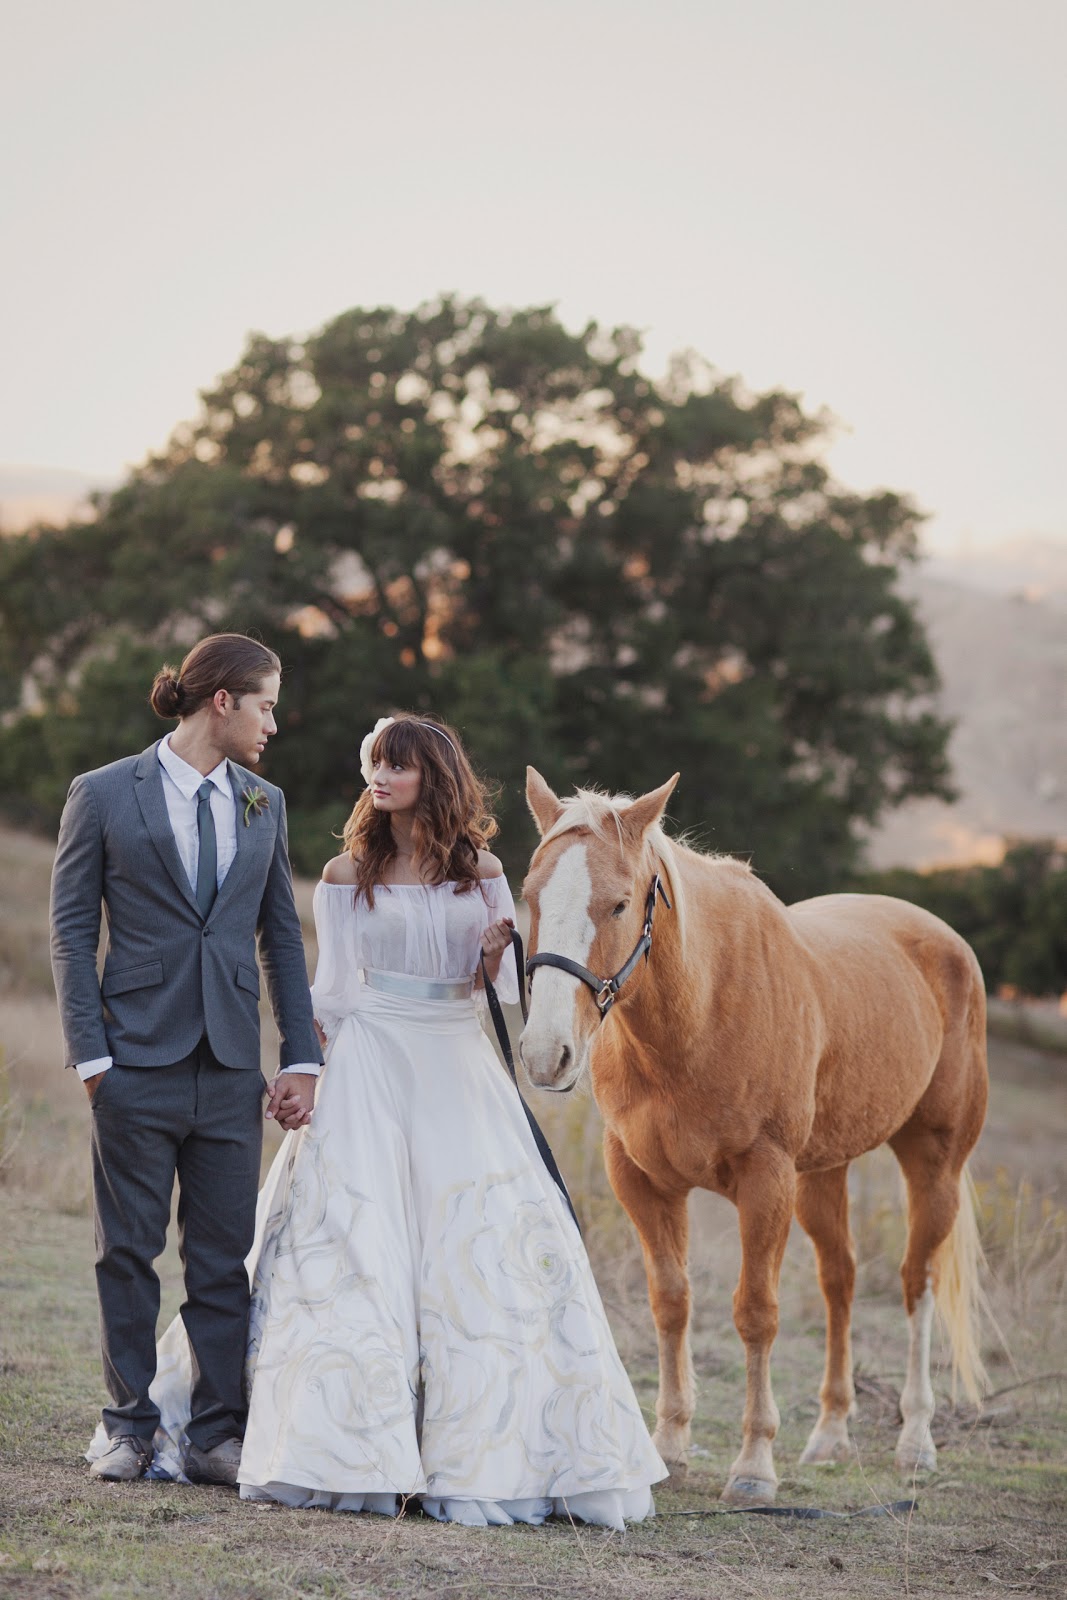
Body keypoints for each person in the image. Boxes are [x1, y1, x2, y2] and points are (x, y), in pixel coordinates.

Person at [110, 713, 666, 1527]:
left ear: (431, 777)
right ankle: (345, 1444)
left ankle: (481, 1451)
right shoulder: (346, 871)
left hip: (452, 1057)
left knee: (477, 1249)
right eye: (373, 762)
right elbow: (329, 991)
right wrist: (307, 1071)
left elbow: (506, 992)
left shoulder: (483, 869)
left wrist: (487, 963)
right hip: (369, 1055)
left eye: (396, 766)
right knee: (352, 1246)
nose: (378, 776)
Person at [53, 634, 322, 1487]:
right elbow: (69, 932)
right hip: (131, 1062)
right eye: (267, 704)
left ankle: (214, 1436)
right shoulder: (101, 795)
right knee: (125, 1251)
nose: (274, 722)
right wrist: (91, 1058)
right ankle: (127, 1427)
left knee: (220, 1261)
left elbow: (280, 937)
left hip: (229, 1067)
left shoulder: (264, 803)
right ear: (223, 702)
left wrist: (301, 1058)